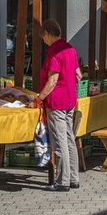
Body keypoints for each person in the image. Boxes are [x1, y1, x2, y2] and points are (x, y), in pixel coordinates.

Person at [38, 19, 82, 192]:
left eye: (43, 37)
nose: (43, 40)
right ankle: (74, 178)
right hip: (70, 99)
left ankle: (62, 181)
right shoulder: (70, 48)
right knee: (69, 138)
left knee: (60, 141)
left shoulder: (54, 51)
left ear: (47, 34)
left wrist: (39, 98)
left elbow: (52, 80)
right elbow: (78, 75)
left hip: (56, 102)